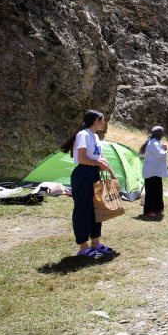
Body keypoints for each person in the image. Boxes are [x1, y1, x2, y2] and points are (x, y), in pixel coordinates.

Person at [59, 110, 117, 257]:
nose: (104, 122)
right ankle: (83, 246)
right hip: (83, 173)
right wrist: (97, 163)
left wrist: (111, 171)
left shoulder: (95, 136)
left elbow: (100, 155)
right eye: (103, 120)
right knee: (83, 209)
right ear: (96, 120)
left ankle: (95, 243)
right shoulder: (83, 135)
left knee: (97, 207)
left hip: (93, 172)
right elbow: (82, 157)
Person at [140, 126, 168, 217]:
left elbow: (158, 150)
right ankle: (148, 210)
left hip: (156, 171)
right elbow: (160, 154)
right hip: (151, 171)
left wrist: (162, 146)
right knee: (151, 191)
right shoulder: (153, 143)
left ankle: (158, 207)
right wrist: (167, 150)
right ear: (160, 134)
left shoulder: (155, 142)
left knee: (158, 190)